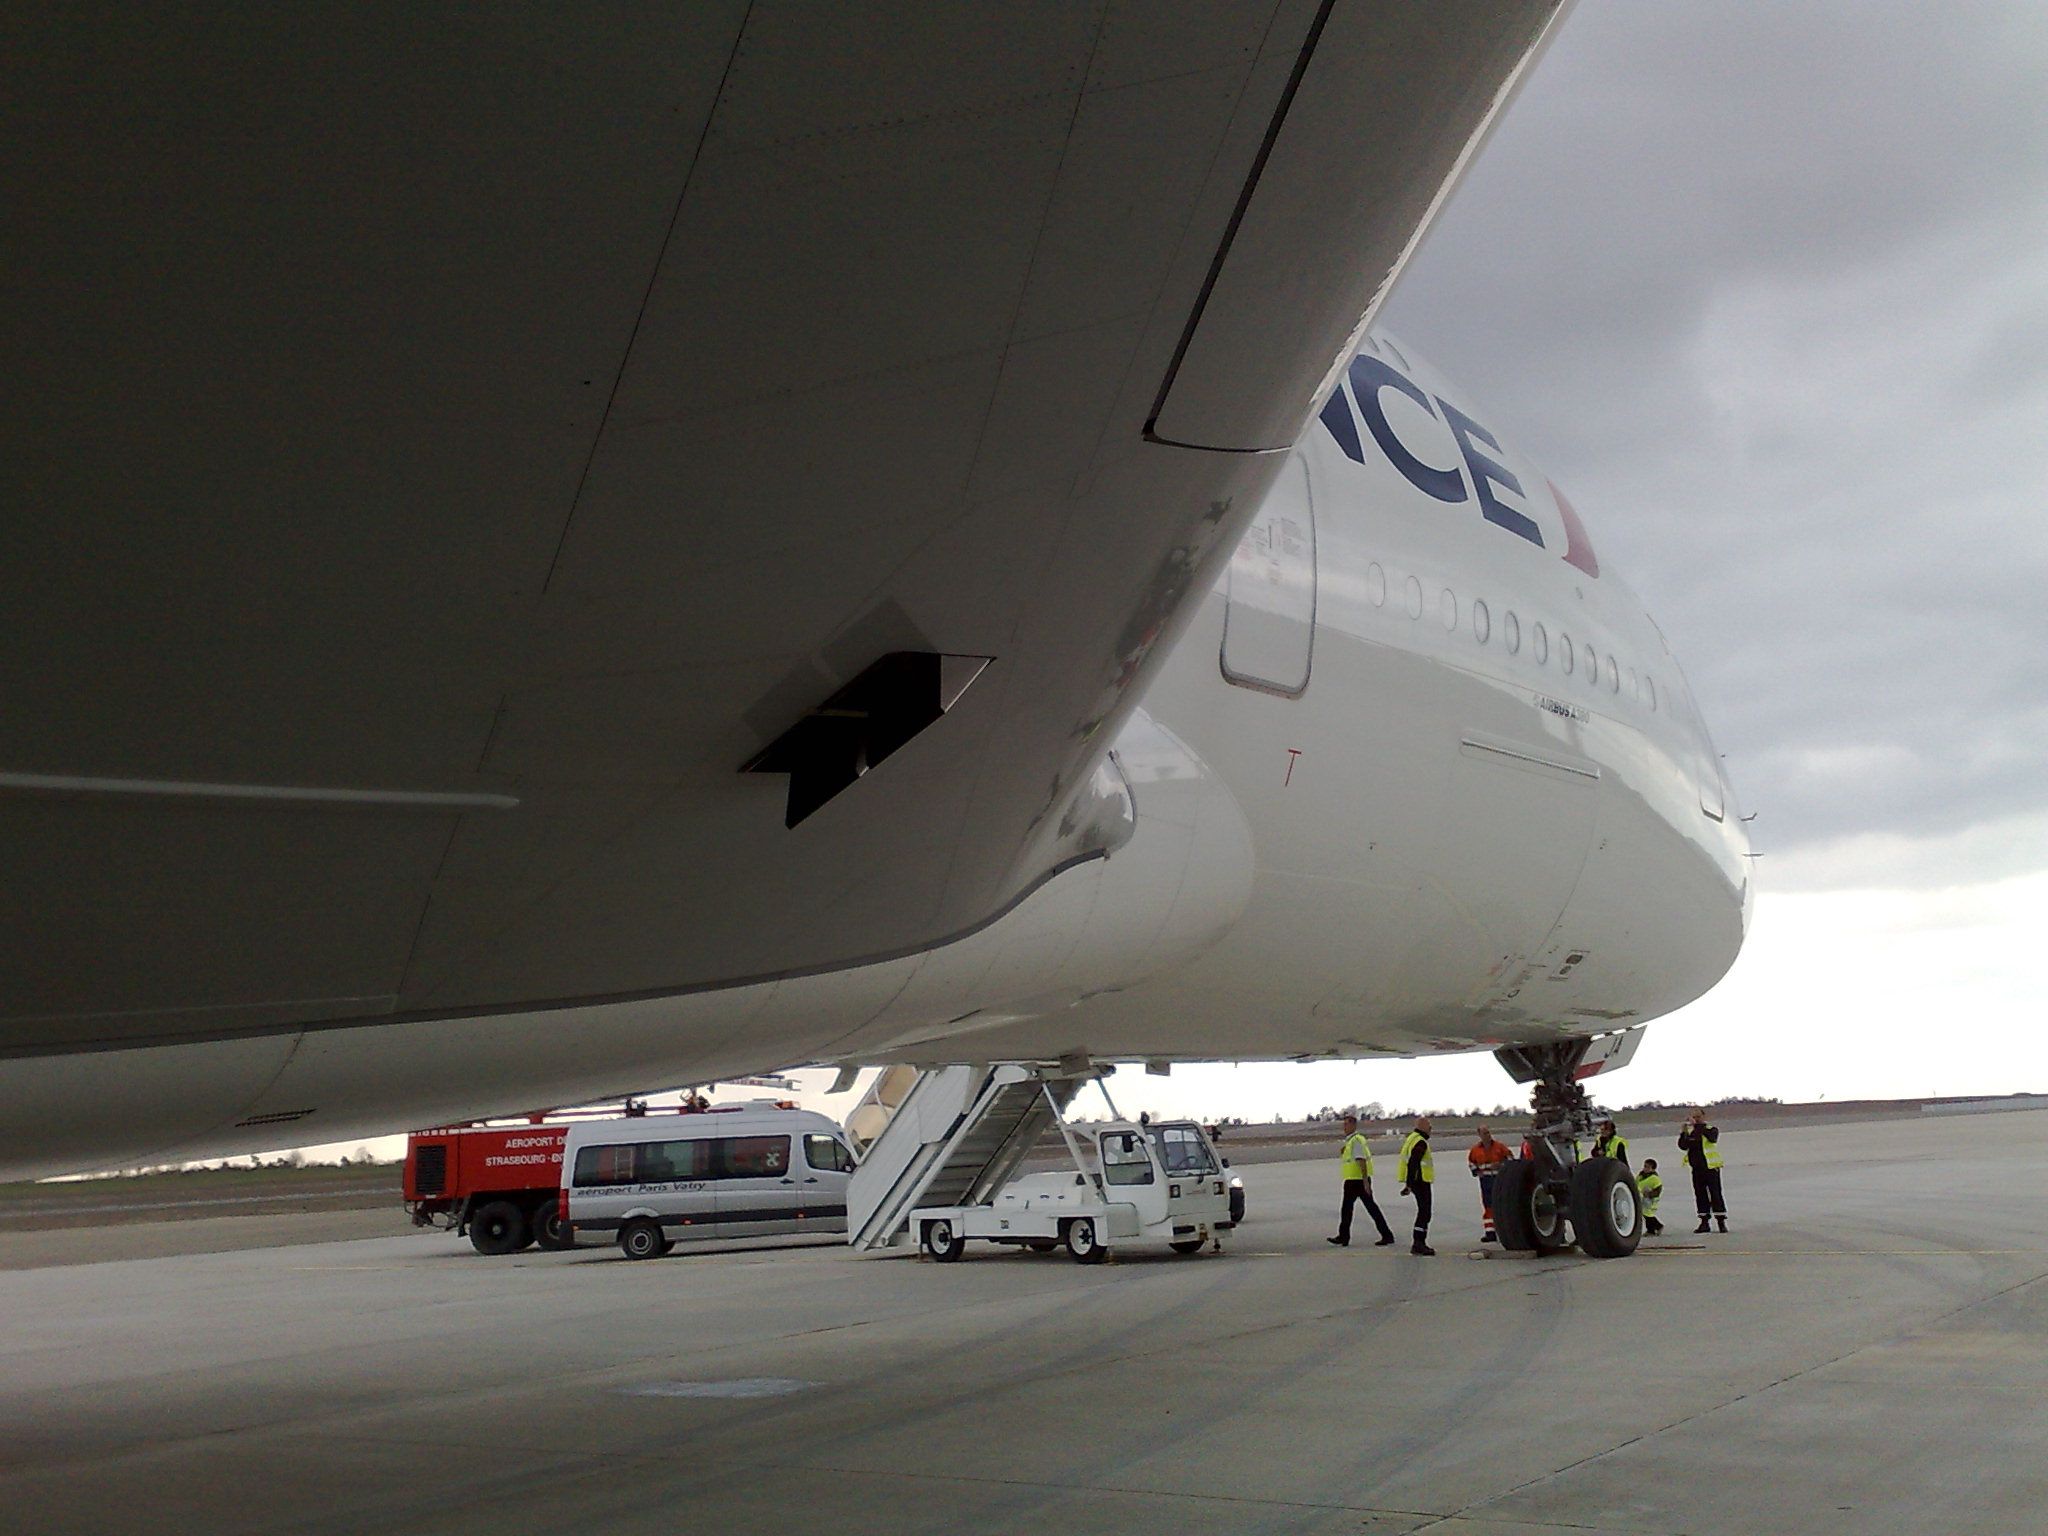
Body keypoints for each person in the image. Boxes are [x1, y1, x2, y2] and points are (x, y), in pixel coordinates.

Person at [1327, 1114, 1395, 1247]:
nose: (1344, 1127)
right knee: (1349, 1209)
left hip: (1357, 1181)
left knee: (1367, 1208)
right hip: (1353, 1180)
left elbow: (1361, 1160)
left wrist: (1365, 1181)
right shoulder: (1352, 1141)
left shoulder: (1356, 1141)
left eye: (1346, 1124)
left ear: (1353, 1125)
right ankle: (1344, 1236)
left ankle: (1386, 1235)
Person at [1678, 1109, 1727, 1233]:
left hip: (1711, 1167)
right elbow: (1683, 1146)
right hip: (1697, 1169)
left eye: (1698, 1117)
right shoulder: (1691, 1132)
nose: (1696, 1119)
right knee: (1700, 1195)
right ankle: (1704, 1222)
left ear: (1703, 1117)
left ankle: (1721, 1222)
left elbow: (1712, 1139)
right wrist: (1683, 1133)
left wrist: (1697, 1126)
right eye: (1694, 1117)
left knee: (1716, 1194)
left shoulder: (1711, 1129)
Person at [1467, 1124, 1514, 1243]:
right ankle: (1490, 1233)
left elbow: (1510, 1158)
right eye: (1484, 1133)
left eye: (1488, 1132)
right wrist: (1477, 1172)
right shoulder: (1475, 1150)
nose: (1487, 1135)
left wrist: (1502, 1165)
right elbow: (1471, 1162)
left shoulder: (1500, 1147)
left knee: (1501, 1205)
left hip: (1499, 1180)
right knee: (1488, 1206)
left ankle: (1504, 1231)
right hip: (1485, 1181)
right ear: (1479, 1135)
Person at [1398, 1116, 1436, 1256]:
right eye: (1428, 1125)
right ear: (1422, 1127)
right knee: (1425, 1212)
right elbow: (1413, 1163)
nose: (1431, 1128)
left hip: (1416, 1181)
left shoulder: (1412, 1138)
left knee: (1423, 1212)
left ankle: (1419, 1242)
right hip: (1421, 1181)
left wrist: (1409, 1184)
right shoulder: (1420, 1142)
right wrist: (1409, 1184)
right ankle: (1419, 1243)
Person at [1637, 1158, 1665, 1236]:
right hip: (1642, 1198)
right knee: (1645, 1214)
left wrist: (1650, 1194)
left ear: (1653, 1169)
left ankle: (1655, 1228)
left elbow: (1658, 1190)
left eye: (1647, 1167)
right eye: (1644, 1166)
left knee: (1648, 1214)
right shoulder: (1640, 1176)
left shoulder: (1655, 1179)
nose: (1645, 1168)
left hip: (1650, 1200)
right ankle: (1653, 1229)